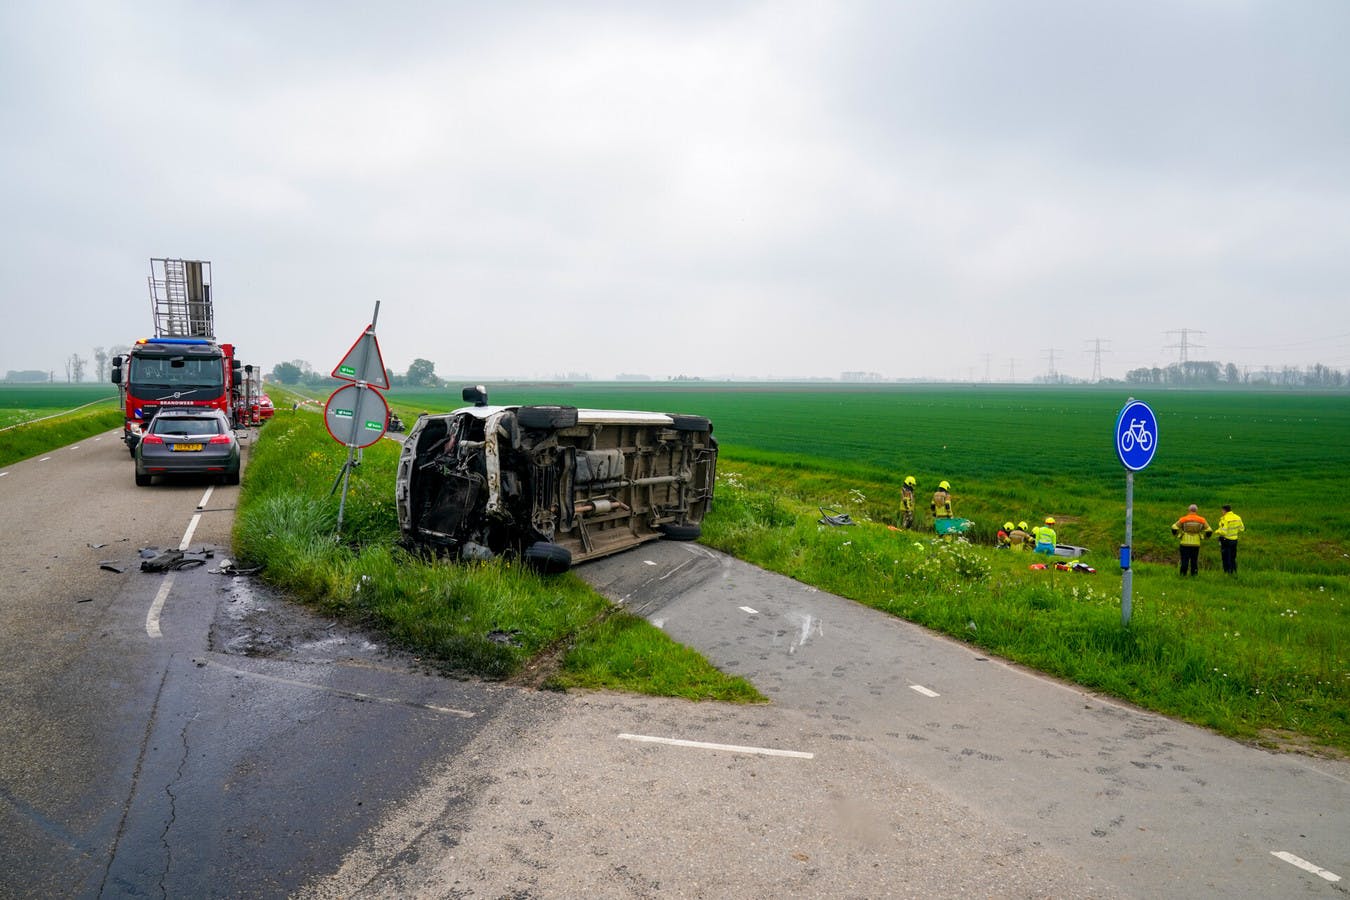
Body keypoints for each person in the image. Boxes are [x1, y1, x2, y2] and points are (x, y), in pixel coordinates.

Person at [1171, 504, 1213, 576]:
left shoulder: (1183, 519)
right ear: (1196, 511)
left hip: (1184, 542)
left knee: (1184, 559)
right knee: (1194, 560)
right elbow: (1209, 530)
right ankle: (1194, 575)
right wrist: (1204, 537)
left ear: (1189, 510)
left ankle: (1183, 575)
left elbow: (1174, 527)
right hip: (1196, 543)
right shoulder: (1202, 520)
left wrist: (1177, 535)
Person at [1214, 504, 1245, 574]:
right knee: (1233, 557)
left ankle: (1227, 573)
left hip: (1226, 540)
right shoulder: (1238, 517)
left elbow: (1224, 531)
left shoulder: (1225, 519)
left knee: (1225, 558)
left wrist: (1217, 531)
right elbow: (1242, 529)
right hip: (1234, 540)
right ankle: (1234, 571)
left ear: (1224, 510)